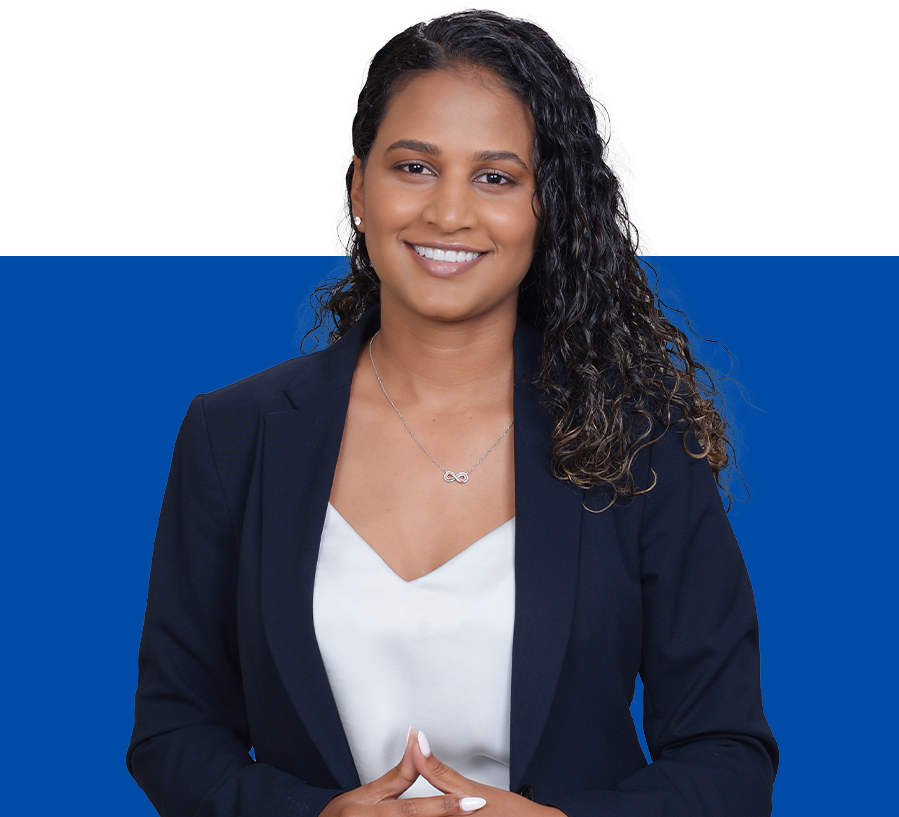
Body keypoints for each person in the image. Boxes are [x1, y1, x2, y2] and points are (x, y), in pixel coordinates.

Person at [127, 8, 778, 817]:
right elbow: (175, 730)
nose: (448, 213)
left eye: (495, 177)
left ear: (546, 207)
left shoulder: (637, 442)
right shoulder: (234, 435)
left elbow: (727, 755)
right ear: (358, 187)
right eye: (414, 167)